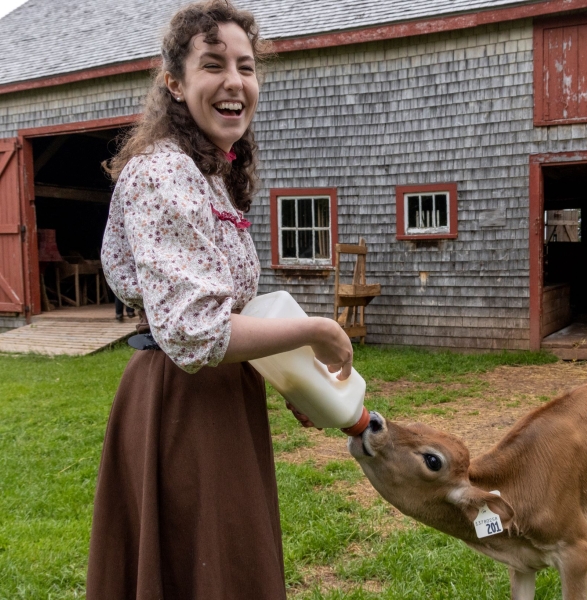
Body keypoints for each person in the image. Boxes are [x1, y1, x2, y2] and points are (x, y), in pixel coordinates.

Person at [87, 2, 353, 598]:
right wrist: (313, 330)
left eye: (247, 66)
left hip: (217, 395)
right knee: (203, 567)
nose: (235, 82)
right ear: (175, 84)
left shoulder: (206, 173)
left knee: (228, 562)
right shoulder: (162, 172)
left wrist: (293, 381)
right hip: (180, 405)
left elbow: (234, 316)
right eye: (213, 65)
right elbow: (195, 331)